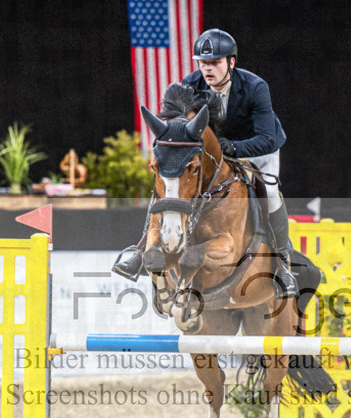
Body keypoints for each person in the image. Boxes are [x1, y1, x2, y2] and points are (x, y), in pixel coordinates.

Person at [113, 28, 297, 298]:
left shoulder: (255, 87)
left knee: (269, 194)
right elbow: (177, 130)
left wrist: (232, 147)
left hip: (255, 148)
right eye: (203, 63)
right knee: (173, 183)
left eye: (215, 62)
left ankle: (283, 266)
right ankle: (142, 250)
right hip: (212, 152)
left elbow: (267, 139)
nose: (207, 69)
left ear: (231, 63)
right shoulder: (189, 86)